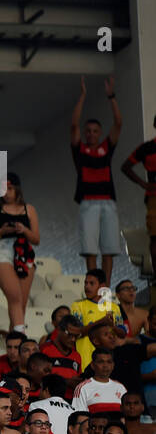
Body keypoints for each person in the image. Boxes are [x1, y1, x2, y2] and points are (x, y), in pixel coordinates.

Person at [70, 75, 123, 283]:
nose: (91, 134)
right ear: (85, 133)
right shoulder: (79, 150)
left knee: (109, 248)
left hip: (108, 202)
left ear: (100, 133)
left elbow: (119, 123)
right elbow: (73, 125)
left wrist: (111, 97)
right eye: (88, 131)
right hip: (88, 202)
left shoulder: (106, 148)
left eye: (95, 131)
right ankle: (92, 283)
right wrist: (83, 97)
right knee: (90, 249)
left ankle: (105, 287)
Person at [0, 175, 39, 333]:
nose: (6, 192)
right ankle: (21, 337)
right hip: (3, 250)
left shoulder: (29, 209)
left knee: (22, 303)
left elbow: (36, 239)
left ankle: (14, 340)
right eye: (3, 189)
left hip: (24, 252)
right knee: (14, 295)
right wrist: (2, 231)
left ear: (17, 189)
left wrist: (24, 229)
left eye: (10, 188)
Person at [120, 113, 156, 272]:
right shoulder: (146, 148)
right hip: (154, 197)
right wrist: (143, 183)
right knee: (155, 237)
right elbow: (125, 166)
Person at [70, 270, 123, 371]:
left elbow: (123, 334)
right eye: (85, 283)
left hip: (109, 363)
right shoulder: (77, 306)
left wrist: (112, 326)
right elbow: (77, 333)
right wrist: (101, 322)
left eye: (91, 283)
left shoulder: (114, 307)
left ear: (102, 286)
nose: (87, 287)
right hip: (85, 362)